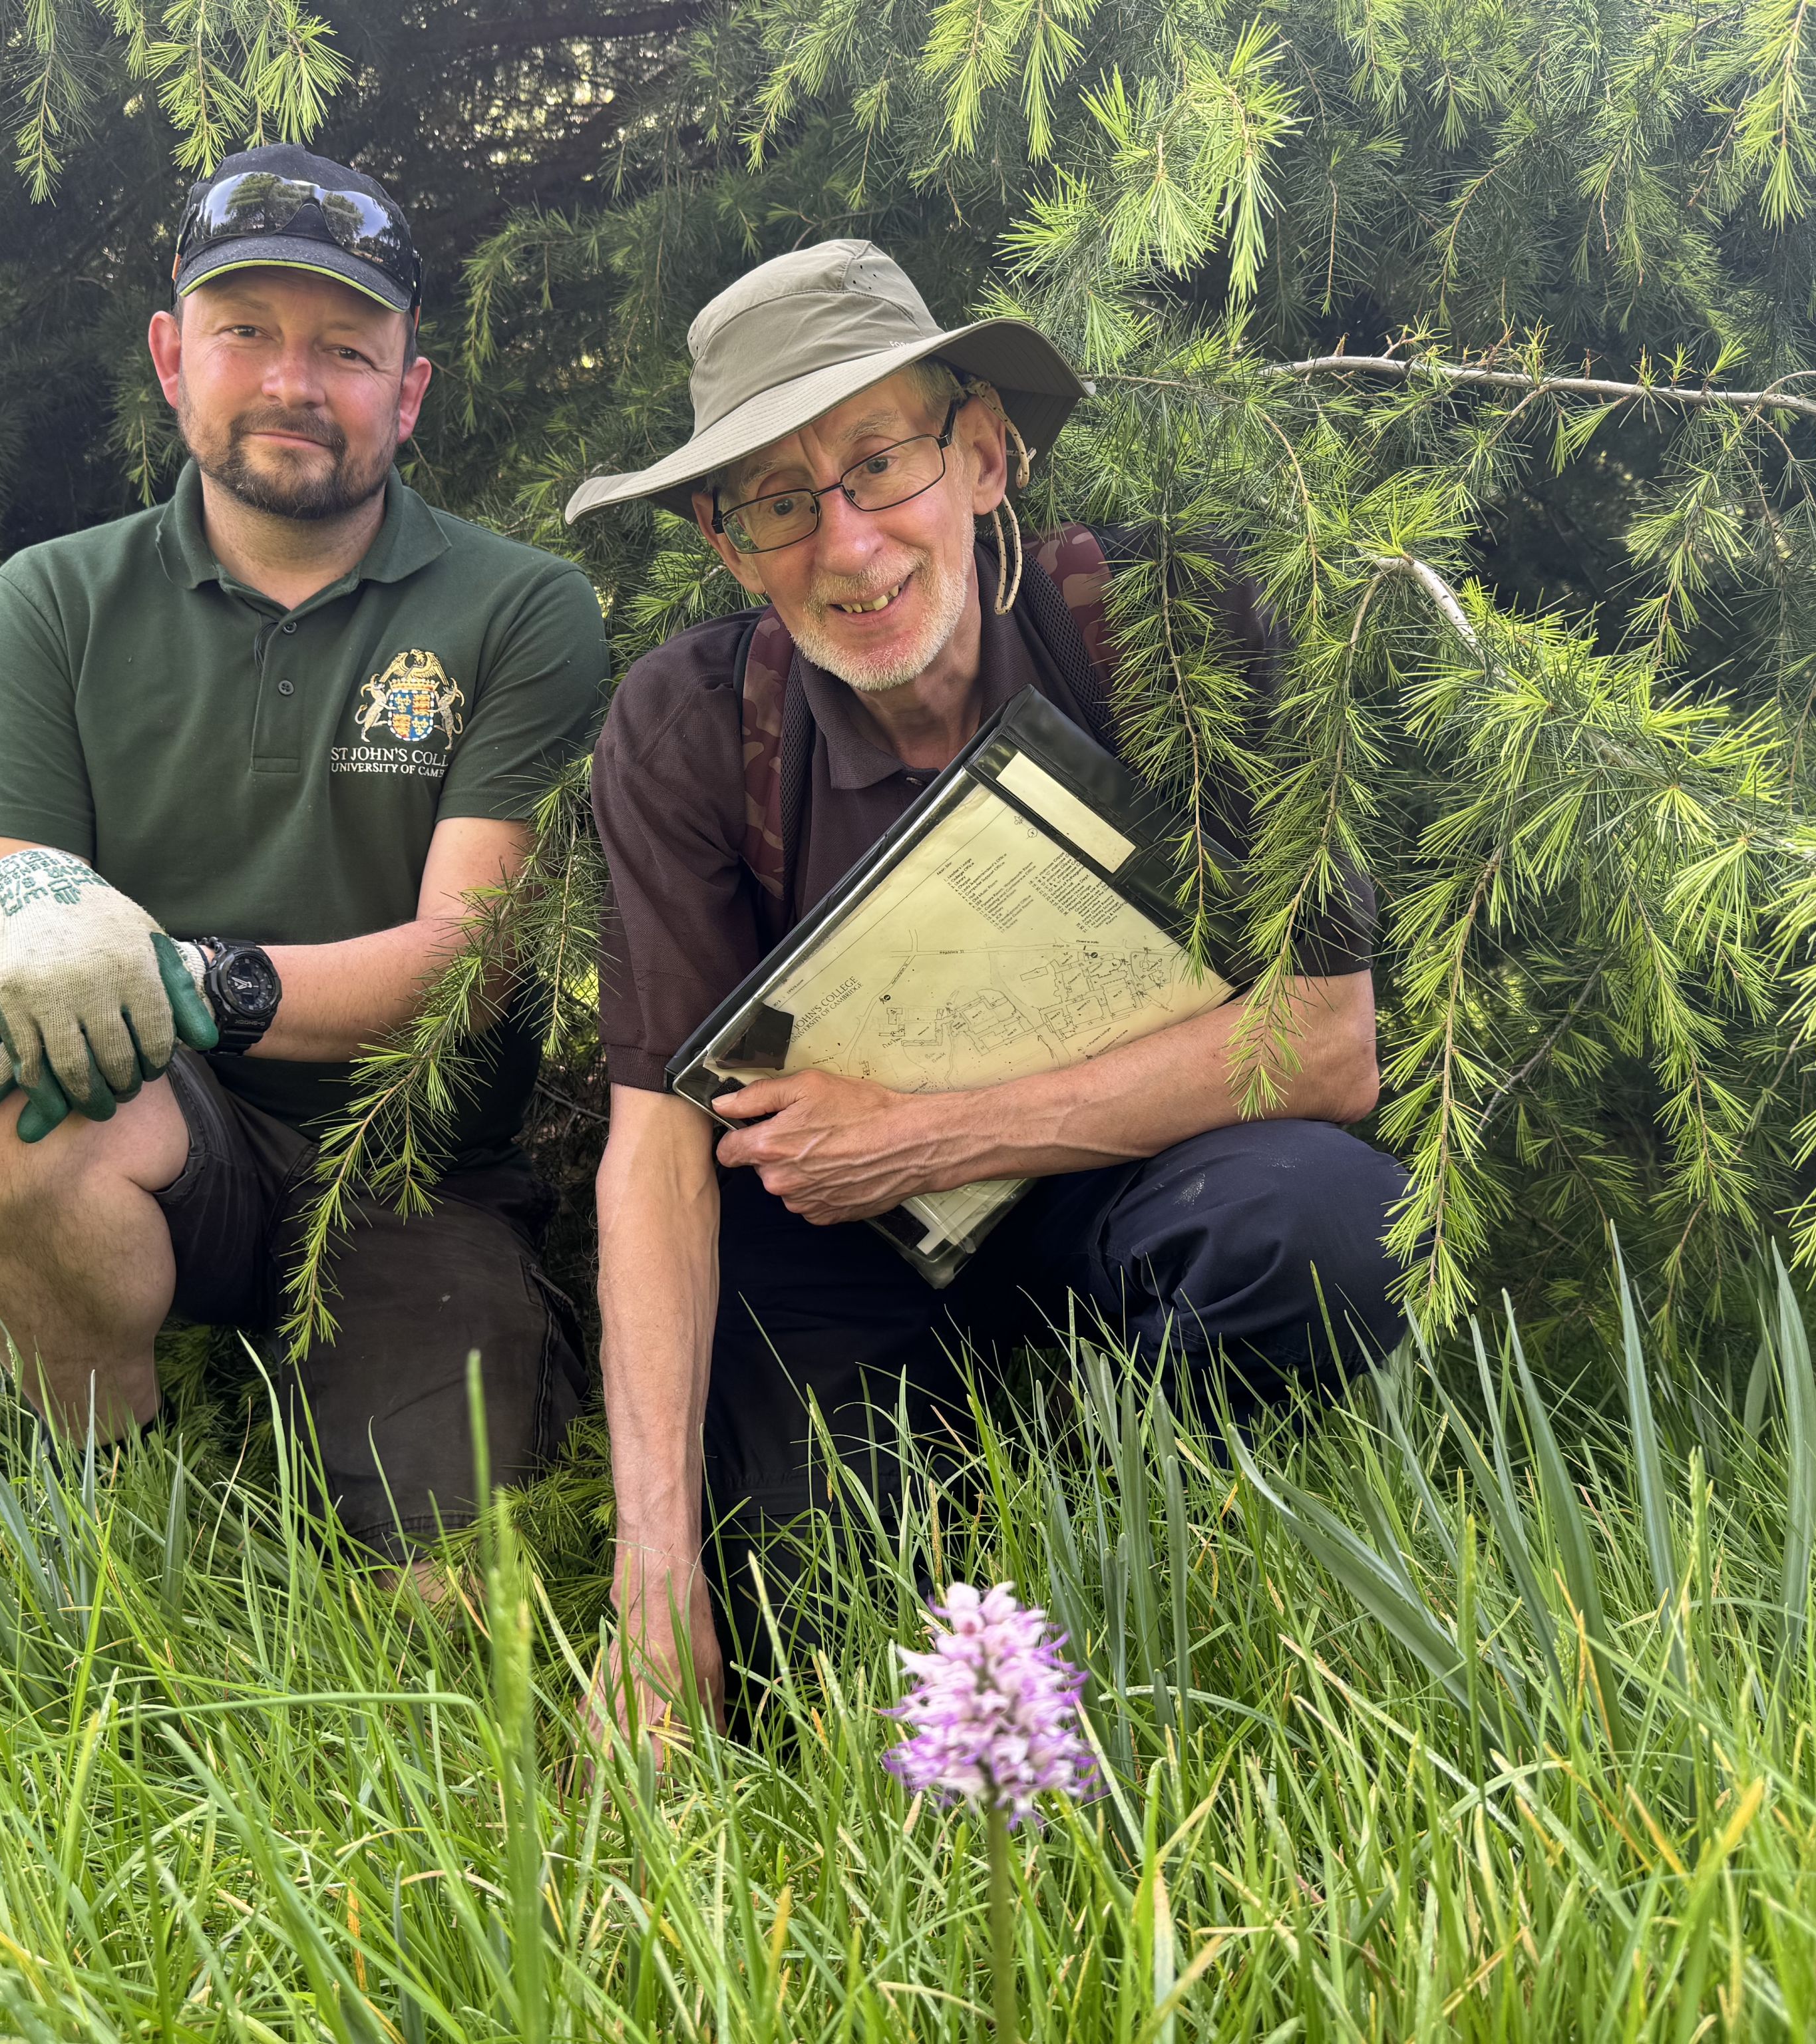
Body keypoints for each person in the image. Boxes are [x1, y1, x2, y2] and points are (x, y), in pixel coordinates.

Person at [563, 240, 1409, 1733]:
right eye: (777, 498)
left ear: (984, 455)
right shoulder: (688, 726)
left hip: (1140, 1182)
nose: (848, 546)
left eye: (880, 461)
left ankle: (1154, 1520)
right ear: (726, 545)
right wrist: (652, 1580)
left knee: (1321, 1226)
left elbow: (1331, 1048)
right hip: (836, 1244)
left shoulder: (1175, 629)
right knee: (830, 1655)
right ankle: (891, 1521)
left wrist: (931, 1134)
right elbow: (653, 1149)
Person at [0, 146, 610, 1553]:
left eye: (346, 348)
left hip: (413, 1168)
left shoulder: (520, 608)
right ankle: (107, 1472)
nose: (293, 381)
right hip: (159, 1114)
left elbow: (469, 960)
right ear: (172, 356)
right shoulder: (54, 599)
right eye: (246, 335)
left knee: (463, 1602)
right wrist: (22, 907)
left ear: (405, 391)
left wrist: (192, 981)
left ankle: (379, 1404)